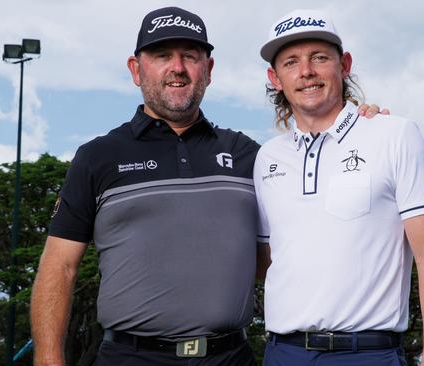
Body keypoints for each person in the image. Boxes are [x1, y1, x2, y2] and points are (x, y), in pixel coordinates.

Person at [30, 6, 383, 366]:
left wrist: (358, 125)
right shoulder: (97, 157)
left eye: (190, 56)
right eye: (162, 56)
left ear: (209, 70)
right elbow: (60, 267)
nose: (177, 67)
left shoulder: (250, 155)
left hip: (231, 357)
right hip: (128, 357)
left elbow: (290, 247)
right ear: (136, 70)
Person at [254, 9, 424, 366]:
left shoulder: (395, 134)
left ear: (344, 64)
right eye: (291, 62)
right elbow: (269, 259)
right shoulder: (267, 156)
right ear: (275, 77)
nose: (306, 73)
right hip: (282, 353)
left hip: (368, 354)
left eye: (319, 58)